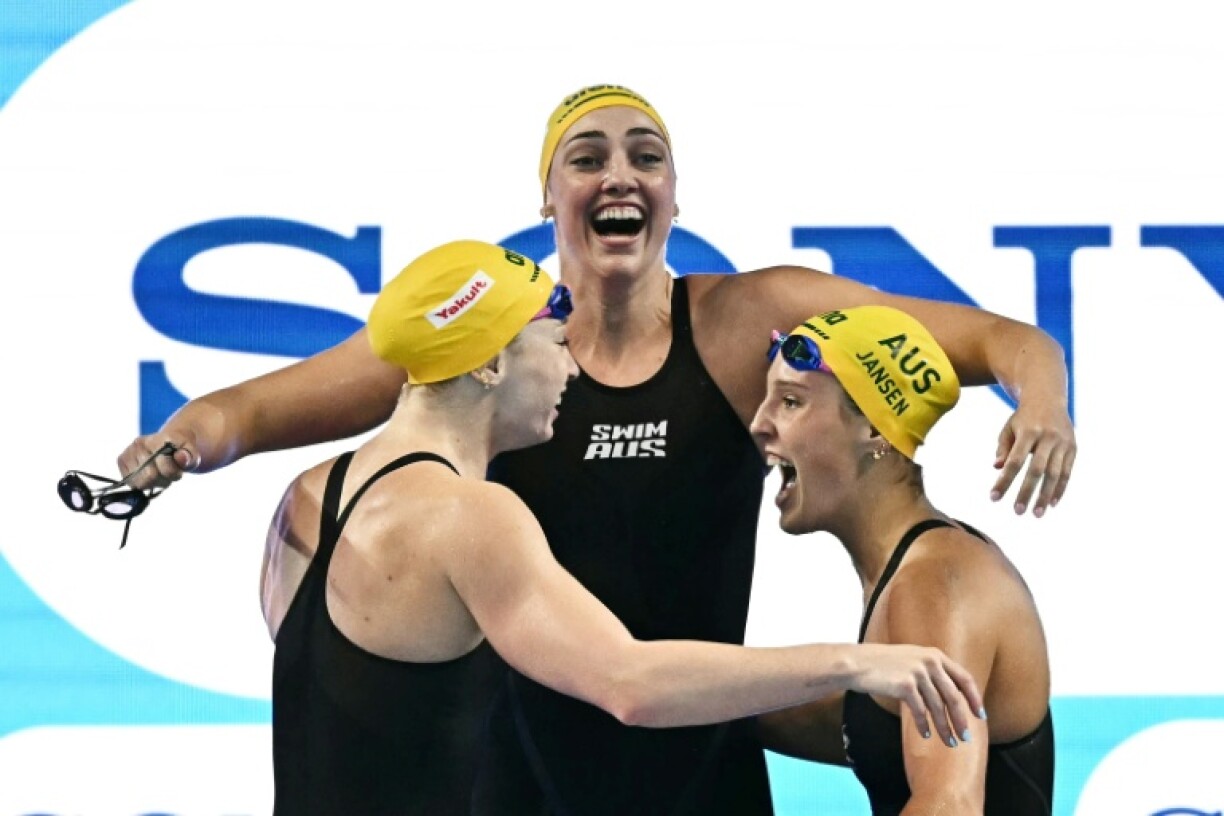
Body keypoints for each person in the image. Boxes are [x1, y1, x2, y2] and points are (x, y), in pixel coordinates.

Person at [119, 86, 1074, 815]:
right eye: (587, 157)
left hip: (696, 758)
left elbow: (1002, 341)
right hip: (529, 768)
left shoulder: (744, 324)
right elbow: (249, 410)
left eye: (646, 155)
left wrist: (1045, 400)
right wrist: (178, 444)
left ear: (672, 193)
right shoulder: (492, 334)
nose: (620, 174)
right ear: (547, 196)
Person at [266, 240, 984, 815]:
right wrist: (857, 662)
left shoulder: (310, 496)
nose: (569, 369)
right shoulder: (470, 516)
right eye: (554, 342)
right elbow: (629, 683)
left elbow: (351, 715)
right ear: (488, 363)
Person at [751, 306, 1053, 814]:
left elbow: (948, 804)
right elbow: (875, 726)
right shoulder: (915, 566)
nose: (760, 424)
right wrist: (698, 704)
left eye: (790, 402)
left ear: (873, 427)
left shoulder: (934, 583)